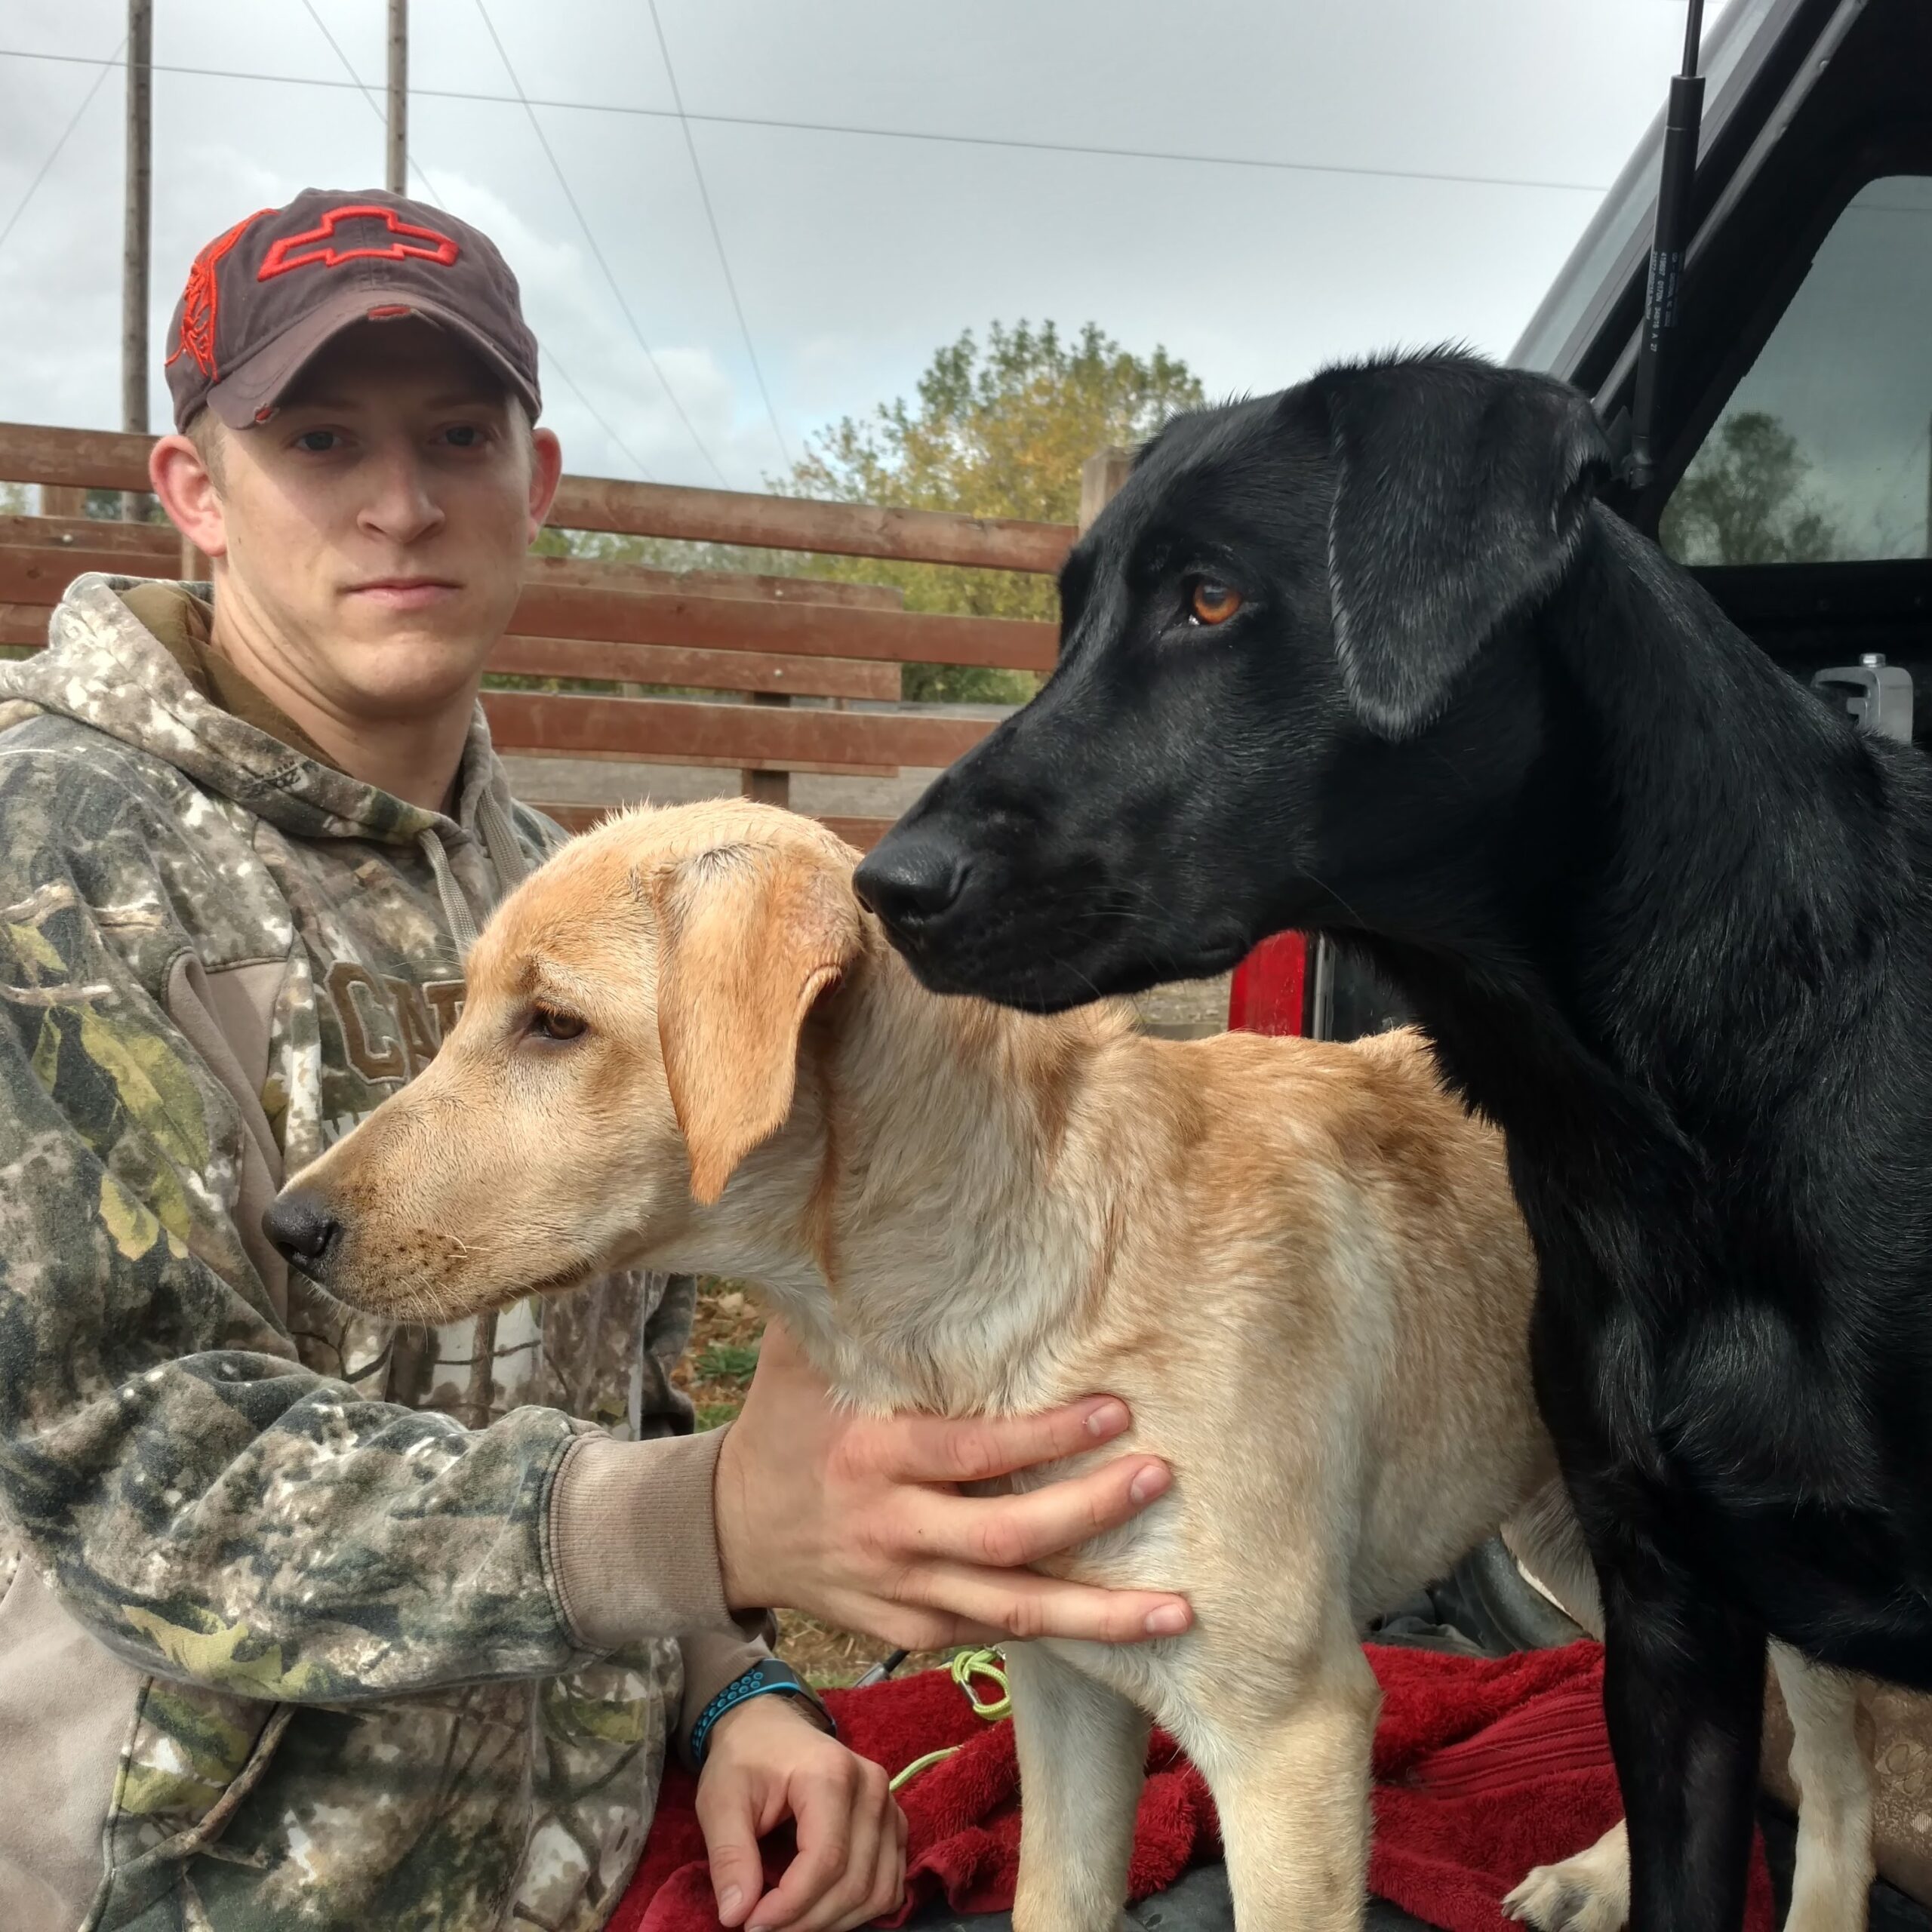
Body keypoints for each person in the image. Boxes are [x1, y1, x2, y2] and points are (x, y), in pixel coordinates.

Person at [0, 189, 1189, 1932]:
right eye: (318, 440)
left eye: (454, 436)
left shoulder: (552, 898)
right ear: (194, 492)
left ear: (534, 476)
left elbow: (621, 1393)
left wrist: (731, 1687)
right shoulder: (49, 862)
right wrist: (711, 1521)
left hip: (590, 1863)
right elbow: (139, 1471)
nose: (400, 502)